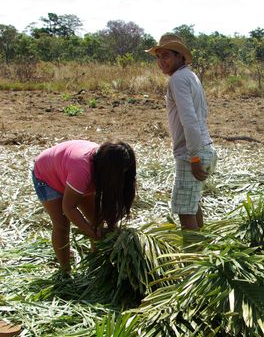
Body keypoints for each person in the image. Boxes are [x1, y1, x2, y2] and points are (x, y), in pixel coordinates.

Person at [146, 33, 217, 231]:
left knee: (185, 210)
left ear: (180, 56)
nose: (161, 62)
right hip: (203, 147)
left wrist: (193, 158)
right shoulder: (190, 76)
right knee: (192, 205)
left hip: (192, 152)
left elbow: (190, 121)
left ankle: (194, 258)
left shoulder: (178, 79)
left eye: (166, 56)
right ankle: (202, 250)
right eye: (158, 57)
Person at [32, 140, 136, 271]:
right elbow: (69, 207)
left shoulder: (106, 161)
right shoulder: (83, 170)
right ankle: (65, 272)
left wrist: (109, 227)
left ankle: (96, 265)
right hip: (47, 176)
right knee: (62, 225)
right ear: (108, 169)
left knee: (96, 220)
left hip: (68, 171)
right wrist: (91, 232)